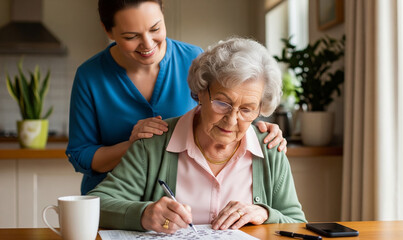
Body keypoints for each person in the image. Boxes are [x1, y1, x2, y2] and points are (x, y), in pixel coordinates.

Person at [66, 0, 288, 195]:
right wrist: (132, 146)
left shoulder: (193, 58)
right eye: (131, 36)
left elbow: (222, 107)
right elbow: (80, 155)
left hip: (179, 202)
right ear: (108, 30)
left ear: (163, 13)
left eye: (155, 28)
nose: (147, 44)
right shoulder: (90, 76)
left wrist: (259, 128)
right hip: (114, 201)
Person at [88, 37, 306, 233]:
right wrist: (144, 214)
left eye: (247, 109)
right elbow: (96, 204)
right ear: (201, 92)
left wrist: (264, 213)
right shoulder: (153, 144)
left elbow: (297, 223)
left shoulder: (270, 149)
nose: (231, 120)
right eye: (222, 103)